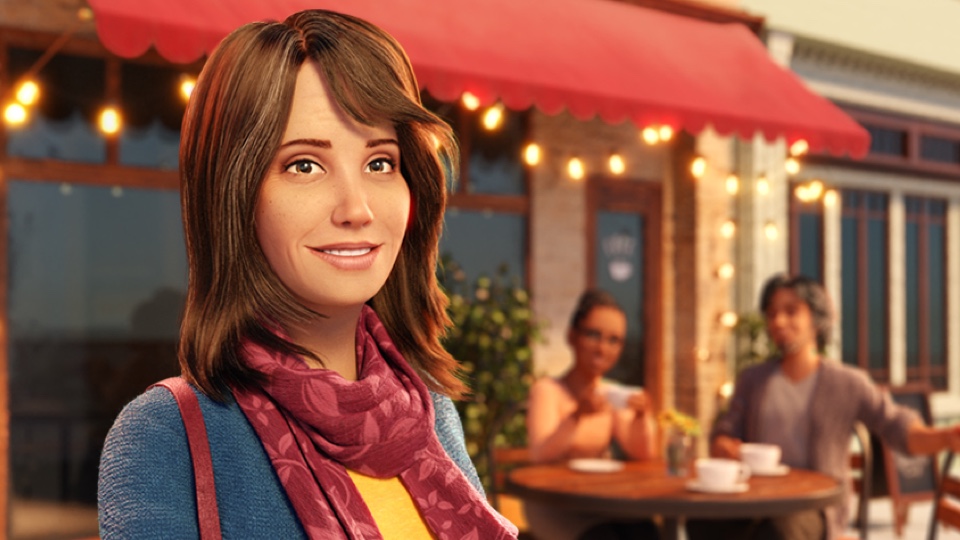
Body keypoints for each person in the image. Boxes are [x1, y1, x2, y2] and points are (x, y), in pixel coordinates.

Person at [97, 9, 518, 539]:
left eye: (380, 162)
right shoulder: (165, 436)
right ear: (235, 194)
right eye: (304, 165)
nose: (357, 208)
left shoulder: (429, 411)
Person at [688, 273, 960, 540]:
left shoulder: (846, 383)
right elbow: (724, 431)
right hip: (755, 502)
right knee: (701, 523)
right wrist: (723, 444)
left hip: (813, 510)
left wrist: (945, 437)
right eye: (772, 313)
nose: (778, 321)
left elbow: (896, 426)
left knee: (778, 531)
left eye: (791, 311)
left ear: (816, 320)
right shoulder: (753, 380)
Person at [524, 289, 659, 540]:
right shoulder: (547, 391)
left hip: (602, 502)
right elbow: (540, 455)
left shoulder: (611, 393)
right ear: (572, 336)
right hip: (554, 505)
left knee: (647, 532)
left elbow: (643, 454)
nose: (602, 348)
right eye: (593, 335)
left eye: (614, 340)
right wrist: (577, 416)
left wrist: (642, 417)